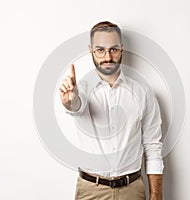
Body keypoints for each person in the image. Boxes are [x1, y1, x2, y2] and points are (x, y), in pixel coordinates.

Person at [59, 21, 164, 200]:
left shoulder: (142, 92)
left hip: (132, 190)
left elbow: (152, 145)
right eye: (100, 50)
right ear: (91, 50)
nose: (107, 56)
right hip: (91, 191)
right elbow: (76, 106)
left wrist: (156, 194)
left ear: (122, 48)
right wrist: (69, 101)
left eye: (113, 49)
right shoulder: (81, 90)